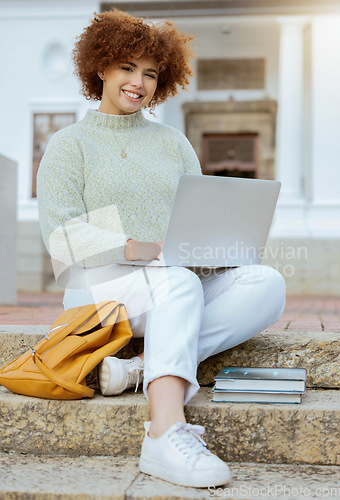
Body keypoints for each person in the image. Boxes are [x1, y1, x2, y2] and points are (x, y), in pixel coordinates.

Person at [37, 8, 286, 489]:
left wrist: (219, 246)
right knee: (177, 282)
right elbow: (63, 236)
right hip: (100, 289)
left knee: (266, 283)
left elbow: (197, 215)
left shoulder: (173, 143)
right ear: (101, 68)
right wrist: (143, 248)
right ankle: (165, 432)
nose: (139, 82)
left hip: (174, 281)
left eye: (150, 73)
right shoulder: (70, 145)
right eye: (127, 68)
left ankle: (139, 369)